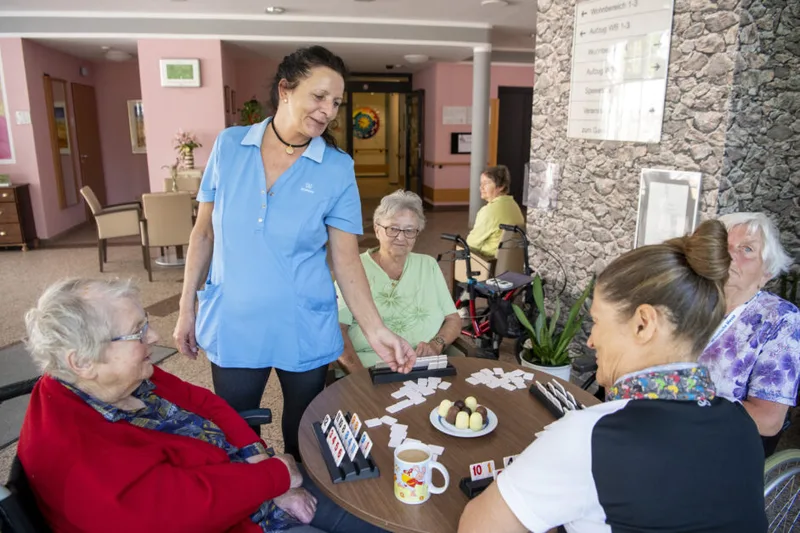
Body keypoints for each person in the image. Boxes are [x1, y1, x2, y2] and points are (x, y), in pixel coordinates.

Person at [172, 46, 415, 460]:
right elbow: (204, 233)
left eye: (336, 102)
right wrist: (185, 307)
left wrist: (375, 330)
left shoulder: (336, 167)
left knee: (304, 433)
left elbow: (345, 258)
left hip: (303, 323)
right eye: (319, 96)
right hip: (234, 320)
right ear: (285, 89)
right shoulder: (230, 146)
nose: (328, 110)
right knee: (236, 431)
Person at [459, 221, 767, 533]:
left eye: (596, 321)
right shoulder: (742, 427)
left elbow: (477, 527)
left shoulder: (592, 438)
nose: (591, 340)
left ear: (643, 324)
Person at [18, 278, 385, 533]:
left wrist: (255, 453)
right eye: (137, 332)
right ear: (81, 361)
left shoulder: (122, 378)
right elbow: (183, 511)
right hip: (235, 523)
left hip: (253, 481)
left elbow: (206, 403)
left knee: (375, 512)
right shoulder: (80, 457)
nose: (155, 336)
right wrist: (274, 479)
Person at [698, 212, 799, 449]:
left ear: (767, 273)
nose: (731, 255)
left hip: (722, 445)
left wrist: (687, 401)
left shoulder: (780, 318)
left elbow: (769, 420)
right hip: (663, 427)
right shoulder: (692, 300)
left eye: (747, 250)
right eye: (725, 246)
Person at [335, 191, 460, 373]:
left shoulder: (428, 264)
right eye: (393, 229)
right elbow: (338, 330)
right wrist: (359, 378)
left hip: (424, 367)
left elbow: (453, 319)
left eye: (409, 230)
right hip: (370, 369)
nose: (401, 238)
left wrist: (436, 344)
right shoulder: (353, 269)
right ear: (377, 230)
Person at [465, 165, 525, 259]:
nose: (481, 187)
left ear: (501, 186)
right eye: (481, 183)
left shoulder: (489, 211)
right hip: (512, 262)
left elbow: (471, 244)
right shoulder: (514, 205)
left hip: (490, 264)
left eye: (486, 183)